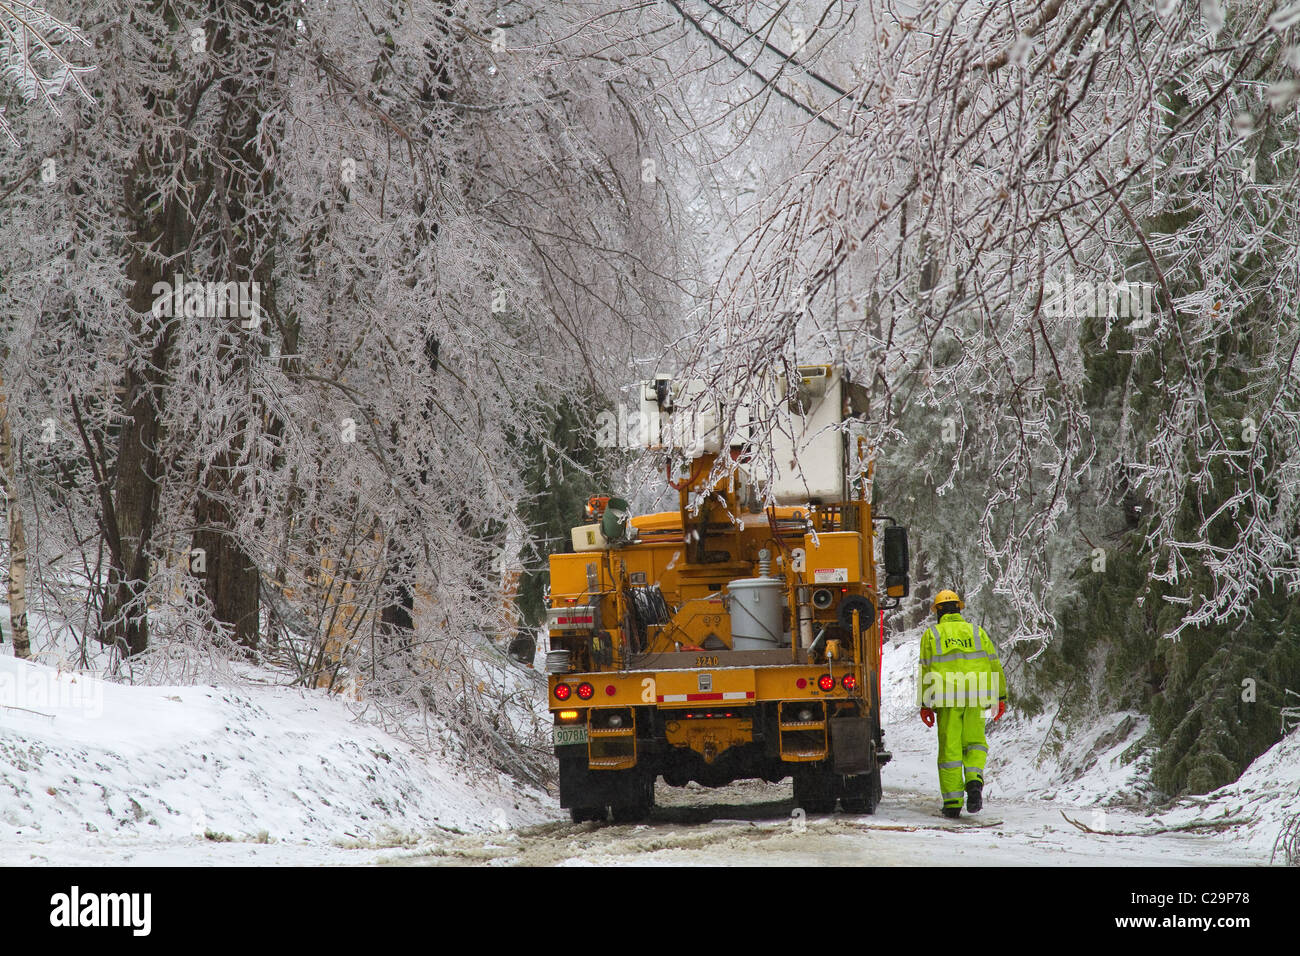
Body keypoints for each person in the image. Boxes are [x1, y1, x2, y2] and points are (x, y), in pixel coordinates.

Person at [917, 590, 1007, 818]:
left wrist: (925, 704)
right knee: (975, 743)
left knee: (951, 750)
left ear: (938, 611)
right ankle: (974, 781)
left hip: (948, 699)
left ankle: (953, 803)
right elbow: (994, 664)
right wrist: (1000, 697)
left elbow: (926, 669)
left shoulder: (932, 635)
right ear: (959, 608)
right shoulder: (977, 632)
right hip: (976, 697)